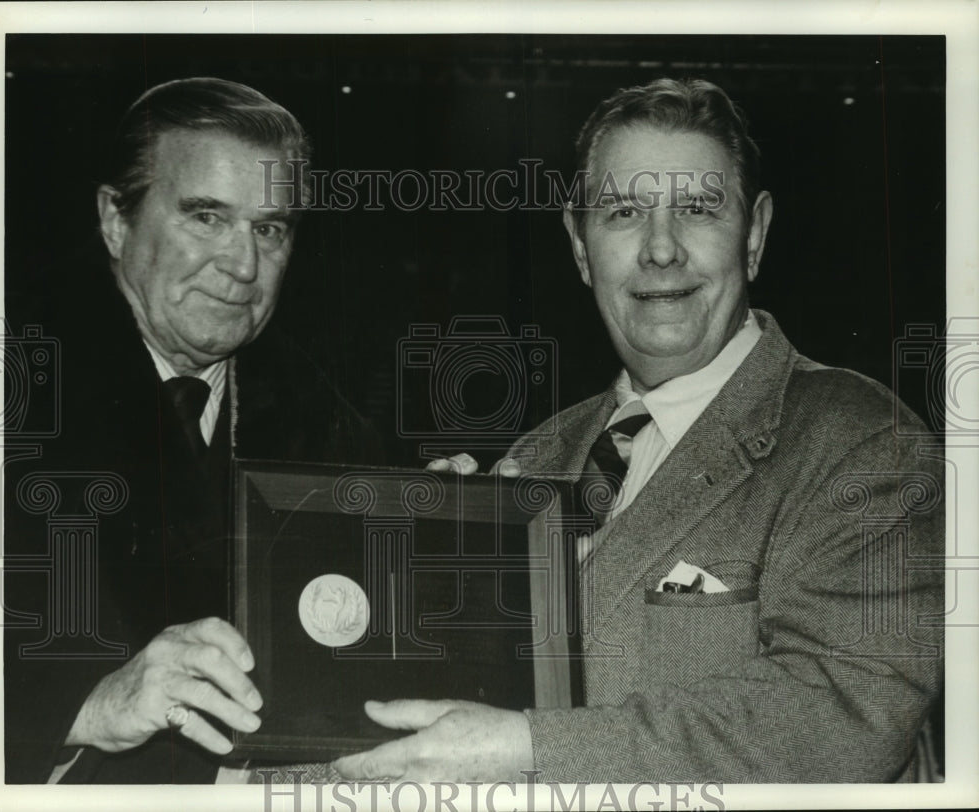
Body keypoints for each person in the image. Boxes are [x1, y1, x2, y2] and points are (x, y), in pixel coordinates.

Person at [332, 78, 944, 783]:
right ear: (581, 245)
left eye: (698, 209)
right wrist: (431, 574)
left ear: (754, 234)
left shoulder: (864, 447)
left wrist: (534, 749)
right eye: (624, 212)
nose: (661, 250)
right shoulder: (537, 457)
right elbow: (462, 719)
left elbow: (843, 715)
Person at [3, 77, 380, 783]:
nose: (242, 266)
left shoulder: (334, 429)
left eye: (269, 229)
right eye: (207, 217)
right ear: (116, 220)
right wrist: (79, 707)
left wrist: (446, 526)